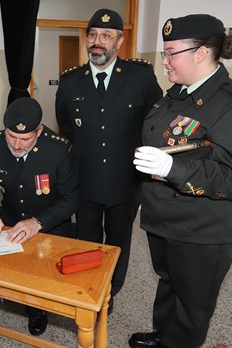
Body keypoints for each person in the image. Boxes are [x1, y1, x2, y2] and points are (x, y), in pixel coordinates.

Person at [129, 14, 232, 348]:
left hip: (202, 227)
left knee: (193, 302)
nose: (164, 61)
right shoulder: (177, 93)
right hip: (165, 218)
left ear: (202, 53)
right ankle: (164, 336)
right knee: (168, 282)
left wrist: (172, 169)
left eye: (171, 53)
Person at [55, 8, 162, 309]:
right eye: (92, 35)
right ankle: (89, 284)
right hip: (85, 180)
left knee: (118, 241)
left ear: (120, 41)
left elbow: (155, 119)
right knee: (86, 239)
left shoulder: (140, 76)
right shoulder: (70, 80)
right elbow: (65, 124)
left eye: (105, 36)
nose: (97, 42)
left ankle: (111, 290)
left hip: (125, 181)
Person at [0, 97, 78, 336]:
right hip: (8, 216)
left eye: (25, 139)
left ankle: (37, 309)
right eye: (12, 136)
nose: (17, 145)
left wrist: (37, 223)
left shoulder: (59, 149)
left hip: (49, 220)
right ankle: (0, 286)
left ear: (39, 131)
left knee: (39, 268)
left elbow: (71, 200)